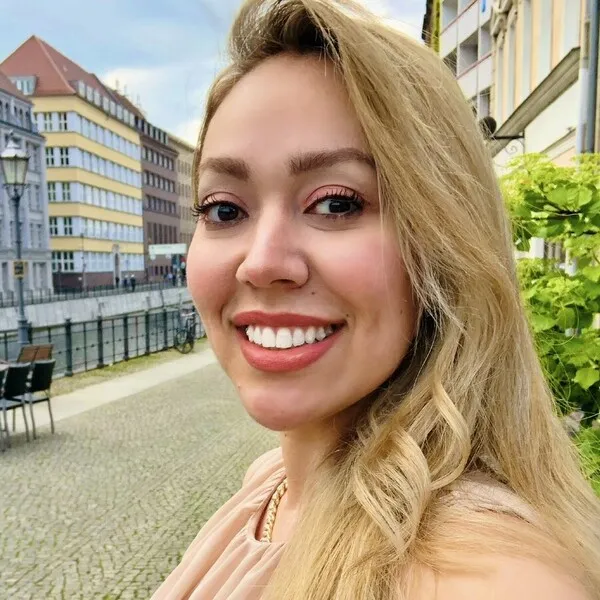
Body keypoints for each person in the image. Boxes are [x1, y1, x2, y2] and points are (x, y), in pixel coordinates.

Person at [151, 1, 600, 599]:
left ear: (444, 240)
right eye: (224, 210)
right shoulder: (274, 485)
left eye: (336, 203)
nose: (261, 262)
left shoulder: (475, 572)